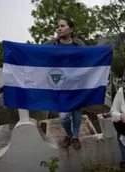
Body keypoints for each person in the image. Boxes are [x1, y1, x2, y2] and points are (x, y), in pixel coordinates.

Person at [44, 18, 85, 149]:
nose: (59, 28)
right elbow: (38, 53)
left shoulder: (79, 44)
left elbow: (88, 59)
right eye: (58, 26)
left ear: (71, 29)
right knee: (64, 116)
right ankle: (68, 134)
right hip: (60, 85)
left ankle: (75, 136)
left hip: (77, 84)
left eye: (62, 26)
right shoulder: (51, 45)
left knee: (77, 110)